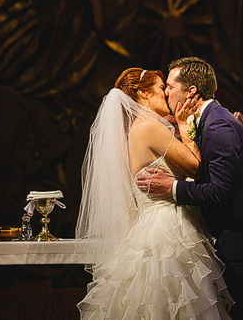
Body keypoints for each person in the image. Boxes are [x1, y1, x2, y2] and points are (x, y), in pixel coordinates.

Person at [76, 67, 233, 320]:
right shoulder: (149, 126)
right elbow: (196, 167)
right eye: (162, 88)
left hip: (151, 225)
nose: (166, 95)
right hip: (167, 228)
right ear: (143, 93)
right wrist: (183, 124)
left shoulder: (136, 129)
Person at [136, 57, 243, 320]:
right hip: (230, 242)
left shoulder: (218, 124)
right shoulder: (209, 122)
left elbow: (220, 192)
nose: (166, 92)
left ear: (191, 92)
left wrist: (171, 188)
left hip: (239, 246)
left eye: (170, 86)